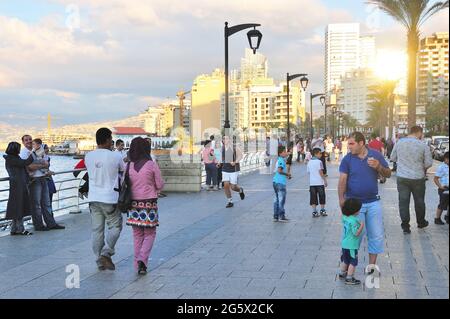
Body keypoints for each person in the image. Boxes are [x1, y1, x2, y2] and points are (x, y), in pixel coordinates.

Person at [338, 132, 391, 269]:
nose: (349, 147)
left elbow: (388, 174)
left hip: (373, 202)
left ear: (361, 143)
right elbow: (342, 180)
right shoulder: (347, 159)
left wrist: (378, 167)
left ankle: (371, 268)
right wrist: (341, 200)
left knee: (376, 236)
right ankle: (347, 266)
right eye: (348, 144)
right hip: (355, 205)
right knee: (354, 236)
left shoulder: (376, 155)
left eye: (351, 143)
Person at [85, 128, 125, 271]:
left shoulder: (88, 156)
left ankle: (99, 260)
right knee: (115, 226)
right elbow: (123, 171)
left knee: (97, 230)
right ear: (108, 140)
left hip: (93, 198)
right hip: (110, 198)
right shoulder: (116, 156)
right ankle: (106, 252)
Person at [126, 137, 164, 275]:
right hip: (149, 203)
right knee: (150, 233)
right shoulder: (151, 164)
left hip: (133, 204)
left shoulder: (129, 166)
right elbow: (160, 184)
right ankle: (143, 259)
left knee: (137, 234)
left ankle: (137, 263)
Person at [390, 126, 433, 234]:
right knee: (419, 201)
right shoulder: (423, 145)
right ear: (419, 133)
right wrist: (422, 168)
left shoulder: (399, 142)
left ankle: (405, 226)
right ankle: (421, 222)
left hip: (402, 177)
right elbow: (428, 163)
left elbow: (392, 158)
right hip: (418, 178)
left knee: (403, 202)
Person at [20, 136, 64, 231]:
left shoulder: (37, 150)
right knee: (36, 205)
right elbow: (29, 166)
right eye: (26, 140)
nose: (29, 141)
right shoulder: (24, 152)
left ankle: (51, 224)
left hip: (43, 178)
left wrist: (41, 165)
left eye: (30, 139)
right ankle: (39, 225)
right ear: (23, 142)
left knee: (46, 203)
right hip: (34, 180)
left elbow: (47, 163)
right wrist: (42, 165)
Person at [3, 142, 34, 236]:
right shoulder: (12, 158)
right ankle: (20, 229)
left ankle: (14, 229)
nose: (20, 150)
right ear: (15, 149)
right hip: (18, 185)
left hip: (16, 184)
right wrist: (34, 153)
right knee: (19, 205)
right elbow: (25, 163)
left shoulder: (11, 158)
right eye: (18, 148)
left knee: (16, 206)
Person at [338, 198, 365, 285]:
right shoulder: (353, 221)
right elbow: (355, 233)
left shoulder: (345, 217)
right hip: (351, 245)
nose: (359, 211)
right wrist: (361, 225)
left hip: (345, 244)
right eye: (358, 209)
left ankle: (342, 272)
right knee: (353, 261)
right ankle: (349, 277)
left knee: (346, 260)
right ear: (355, 210)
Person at [222, 135, 245, 208]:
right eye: (223, 139)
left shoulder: (235, 147)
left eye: (226, 138)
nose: (224, 140)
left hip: (233, 170)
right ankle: (230, 201)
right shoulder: (222, 148)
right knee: (225, 186)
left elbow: (240, 156)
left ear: (230, 140)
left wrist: (235, 162)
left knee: (233, 187)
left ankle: (240, 190)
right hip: (225, 169)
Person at [307, 148, 328, 218]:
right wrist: (325, 180)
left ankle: (314, 211)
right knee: (322, 196)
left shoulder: (309, 162)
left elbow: (309, 172)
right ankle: (322, 210)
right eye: (320, 153)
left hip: (312, 183)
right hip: (319, 182)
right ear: (316, 154)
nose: (321, 155)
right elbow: (321, 172)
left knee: (313, 197)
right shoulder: (319, 162)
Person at [273, 145, 291, 222]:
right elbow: (279, 171)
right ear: (280, 153)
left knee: (277, 199)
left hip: (276, 182)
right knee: (281, 200)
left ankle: (276, 216)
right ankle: (281, 216)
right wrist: (287, 174)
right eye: (284, 152)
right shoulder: (281, 160)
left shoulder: (280, 159)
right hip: (280, 183)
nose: (285, 153)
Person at [434, 152, 449, 225]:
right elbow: (436, 179)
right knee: (442, 204)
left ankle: (447, 217)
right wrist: (440, 187)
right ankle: (437, 218)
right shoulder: (441, 167)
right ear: (445, 159)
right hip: (444, 188)